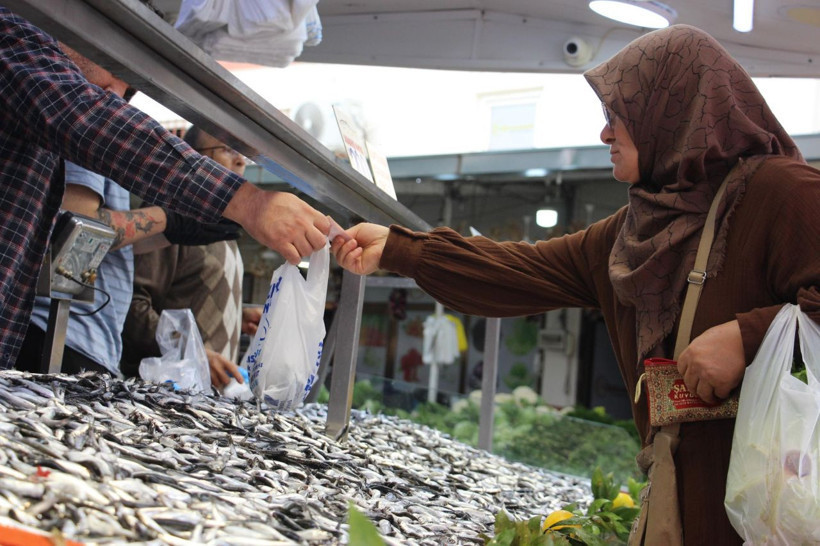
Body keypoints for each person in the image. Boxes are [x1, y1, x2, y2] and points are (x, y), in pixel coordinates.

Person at [331, 25, 820, 545]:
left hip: (777, 511)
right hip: (681, 506)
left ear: (675, 109)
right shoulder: (633, 231)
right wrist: (401, 249)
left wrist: (748, 337)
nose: (605, 134)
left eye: (618, 116)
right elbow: (521, 270)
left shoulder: (781, 193)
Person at [0, 8, 330, 369]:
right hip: (64, 335)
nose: (116, 94)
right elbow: (90, 127)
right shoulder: (16, 38)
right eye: (119, 72)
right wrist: (245, 202)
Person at [122, 126, 263, 389]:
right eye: (227, 149)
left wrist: (236, 316)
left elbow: (189, 294)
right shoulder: (170, 219)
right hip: (164, 399)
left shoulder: (221, 229)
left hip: (207, 402)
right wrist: (191, 350)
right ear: (194, 157)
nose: (241, 160)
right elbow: (130, 305)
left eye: (243, 153)